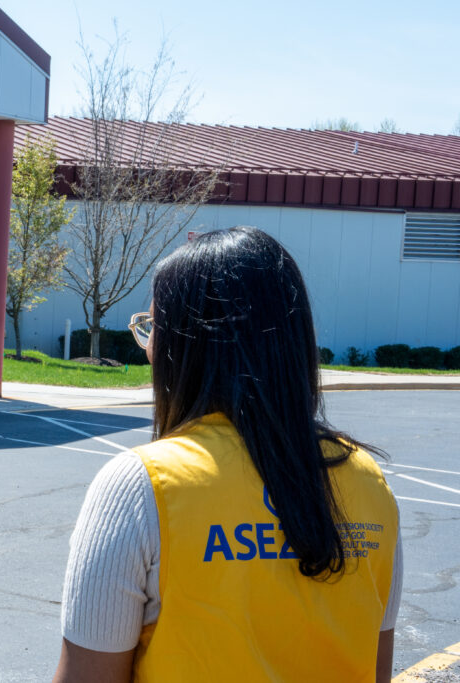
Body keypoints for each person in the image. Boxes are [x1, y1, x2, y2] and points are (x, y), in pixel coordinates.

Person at [53, 226, 401, 682]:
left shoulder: (141, 486)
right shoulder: (369, 482)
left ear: (185, 347)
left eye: (153, 328)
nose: (147, 350)